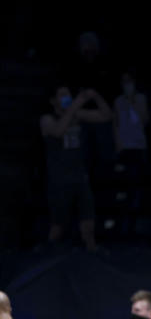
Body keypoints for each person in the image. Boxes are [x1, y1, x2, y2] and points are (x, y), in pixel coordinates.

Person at [40, 86, 112, 250]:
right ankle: (47, 253)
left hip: (79, 176)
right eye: (62, 94)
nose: (67, 97)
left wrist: (96, 96)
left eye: (68, 93)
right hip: (59, 180)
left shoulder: (77, 115)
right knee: (58, 225)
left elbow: (106, 116)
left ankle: (91, 252)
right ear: (53, 100)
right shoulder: (47, 119)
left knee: (88, 221)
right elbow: (58, 131)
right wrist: (76, 105)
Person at [113, 71, 149, 167]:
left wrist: (133, 101)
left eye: (129, 81)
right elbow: (116, 125)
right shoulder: (118, 101)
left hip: (139, 145)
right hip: (124, 146)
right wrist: (118, 145)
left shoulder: (141, 98)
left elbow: (144, 120)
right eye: (124, 81)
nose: (127, 84)